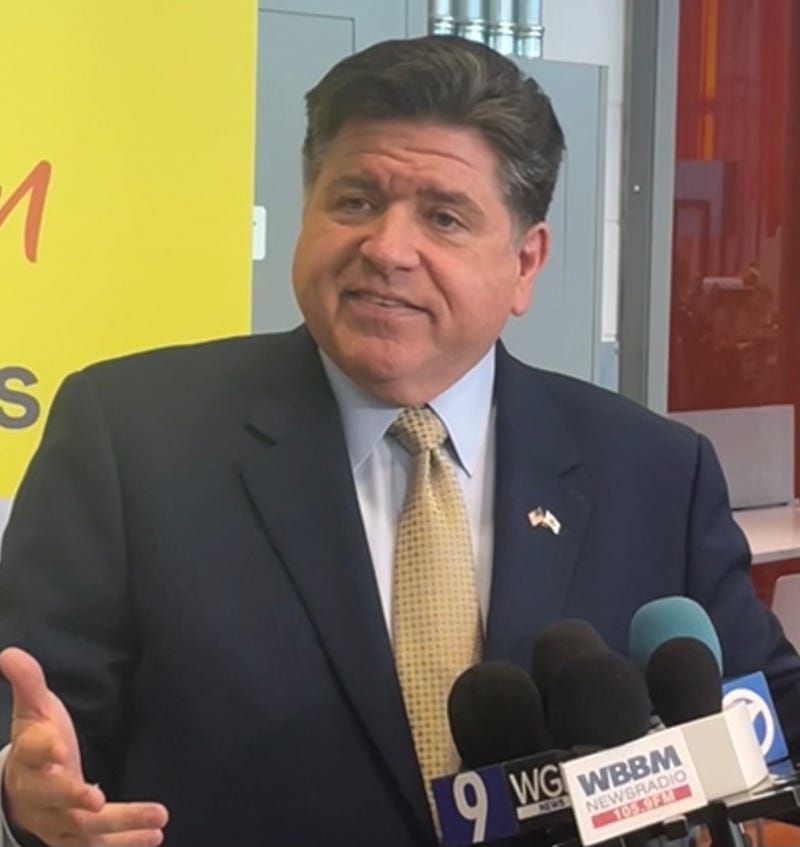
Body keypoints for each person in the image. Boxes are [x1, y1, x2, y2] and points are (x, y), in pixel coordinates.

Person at [0, 35, 798, 847]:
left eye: (443, 217)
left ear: (525, 263)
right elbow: (31, 714)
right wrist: (17, 786)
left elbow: (768, 719)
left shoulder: (653, 471)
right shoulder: (130, 434)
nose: (386, 249)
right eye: (354, 201)